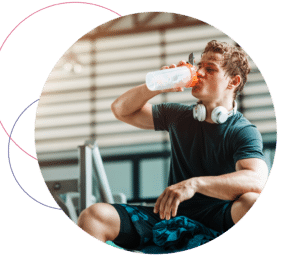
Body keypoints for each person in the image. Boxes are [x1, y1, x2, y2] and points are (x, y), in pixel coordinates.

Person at [77, 40, 269, 250]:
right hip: (170, 217)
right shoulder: (178, 115)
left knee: (253, 202)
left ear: (233, 82)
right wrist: (157, 85)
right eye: (199, 66)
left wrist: (194, 184)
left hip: (219, 218)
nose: (200, 72)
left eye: (210, 69)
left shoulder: (242, 130)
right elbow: (121, 109)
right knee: (94, 216)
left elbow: (257, 179)